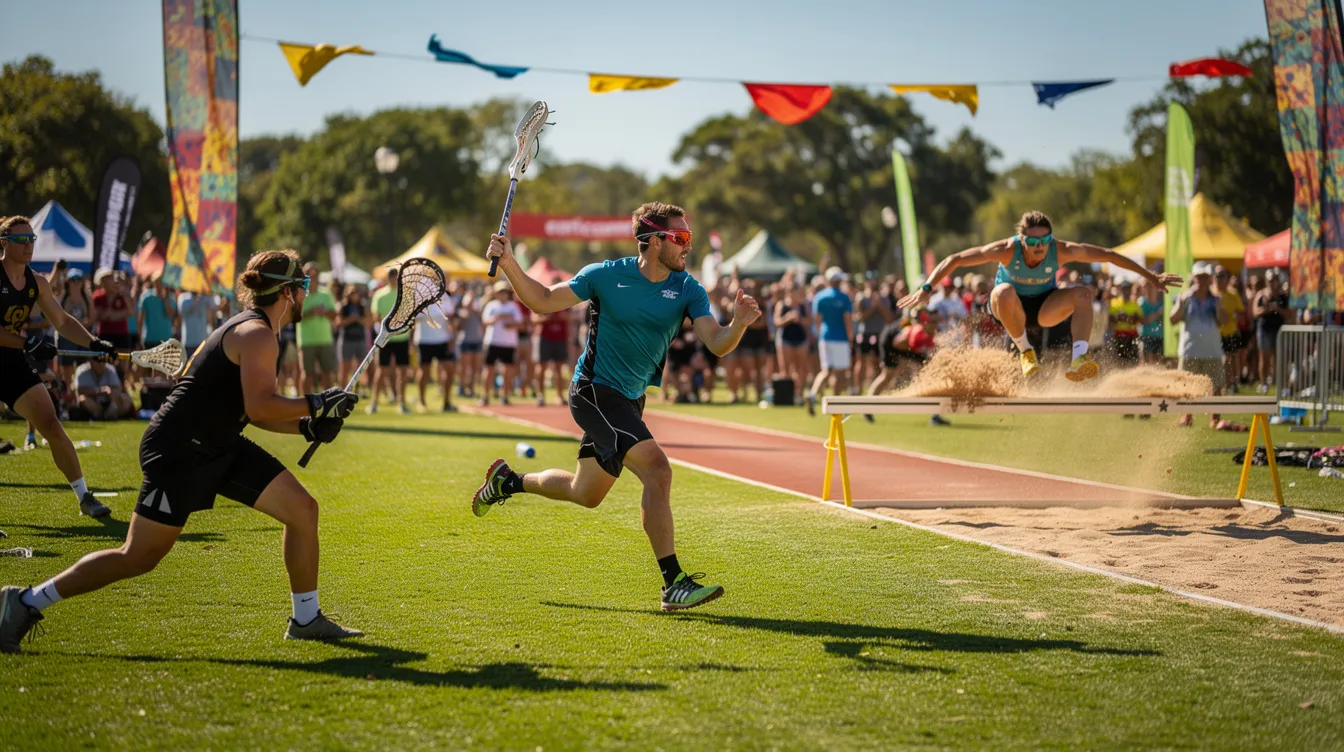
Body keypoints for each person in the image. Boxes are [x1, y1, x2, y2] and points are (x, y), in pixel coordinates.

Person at [0, 250, 364, 654]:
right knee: (137, 557)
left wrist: (306, 424)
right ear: (291, 292)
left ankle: (306, 619)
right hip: (179, 449)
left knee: (302, 509)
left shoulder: (259, 330)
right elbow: (261, 406)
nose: (306, 296)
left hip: (218, 442)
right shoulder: (257, 334)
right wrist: (314, 403)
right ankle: (24, 601)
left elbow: (251, 410)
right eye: (305, 288)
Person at [471, 202, 761, 611]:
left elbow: (716, 343)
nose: (686, 247)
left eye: (688, 239)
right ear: (653, 240)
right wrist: (510, 263)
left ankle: (507, 481)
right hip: (593, 391)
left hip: (630, 400)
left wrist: (739, 325)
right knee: (658, 472)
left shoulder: (687, 288)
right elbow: (542, 300)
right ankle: (672, 583)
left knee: (584, 492)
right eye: (680, 238)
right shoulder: (605, 275)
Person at [899, 210, 1183, 379]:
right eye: (1033, 242)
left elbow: (1108, 255)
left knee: (1083, 293)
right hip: (1008, 310)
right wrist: (927, 287)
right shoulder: (1008, 249)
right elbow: (957, 258)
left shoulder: (1060, 250)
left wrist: (1152, 277)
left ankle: (1079, 358)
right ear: (1022, 240)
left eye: (1044, 241)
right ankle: (1025, 352)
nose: (1039, 247)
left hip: (1044, 308)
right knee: (1005, 290)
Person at [1, 216, 116, 517]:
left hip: (10, 364)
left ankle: (84, 498)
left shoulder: (36, 282)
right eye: (20, 240)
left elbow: (62, 321)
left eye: (31, 240)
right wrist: (25, 342)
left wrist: (93, 342)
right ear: (4, 243)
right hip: (13, 352)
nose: (28, 246)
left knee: (50, 423)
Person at [1171, 262, 1235, 430]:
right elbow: (1173, 319)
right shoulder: (1185, 298)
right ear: (1194, 278)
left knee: (1216, 386)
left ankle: (1215, 419)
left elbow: (1224, 321)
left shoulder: (1216, 299)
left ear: (1209, 279)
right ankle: (1187, 415)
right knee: (1187, 385)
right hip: (1190, 349)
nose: (1203, 280)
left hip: (1212, 349)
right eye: (1199, 277)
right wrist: (1181, 302)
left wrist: (1220, 306)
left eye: (1206, 277)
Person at [804, 267, 854, 416]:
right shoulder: (844, 298)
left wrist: (820, 335)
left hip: (825, 337)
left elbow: (817, 320)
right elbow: (848, 321)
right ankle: (836, 403)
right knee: (840, 373)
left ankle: (813, 394)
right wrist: (850, 338)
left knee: (826, 371)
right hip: (840, 338)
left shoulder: (819, 297)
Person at [368, 268, 412, 414]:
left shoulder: (405, 294)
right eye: (393, 277)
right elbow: (376, 317)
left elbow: (409, 317)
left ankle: (402, 403)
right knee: (381, 370)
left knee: (403, 372)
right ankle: (374, 402)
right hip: (385, 338)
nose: (395, 279)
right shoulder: (380, 295)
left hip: (402, 338)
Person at [296, 263, 339, 394]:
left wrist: (324, 312)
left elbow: (334, 316)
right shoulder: (299, 294)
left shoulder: (326, 294)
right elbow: (294, 316)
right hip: (306, 341)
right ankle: (305, 404)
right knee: (307, 374)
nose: (313, 278)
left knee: (328, 373)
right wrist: (311, 312)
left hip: (325, 340)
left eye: (315, 275)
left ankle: (328, 402)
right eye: (310, 275)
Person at [479, 281, 523, 407]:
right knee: (489, 369)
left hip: (509, 343)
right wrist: (496, 318)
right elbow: (485, 322)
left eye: (504, 292)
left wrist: (511, 324)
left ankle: (505, 395)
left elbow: (520, 323)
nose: (503, 295)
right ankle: (485, 395)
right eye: (500, 292)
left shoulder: (513, 306)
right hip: (492, 341)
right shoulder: (491, 306)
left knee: (508, 370)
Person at [532, 276, 574, 407]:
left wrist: (563, 317)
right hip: (544, 338)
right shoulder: (543, 299)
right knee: (541, 367)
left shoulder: (566, 301)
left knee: (559, 368)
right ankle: (540, 395)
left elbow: (571, 318)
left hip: (560, 338)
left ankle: (559, 396)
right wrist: (548, 317)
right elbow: (534, 318)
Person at [415, 287, 457, 412]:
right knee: (424, 372)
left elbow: (450, 314)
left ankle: (447, 402)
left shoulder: (444, 296)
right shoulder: (419, 296)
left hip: (442, 340)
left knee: (449, 369)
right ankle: (421, 401)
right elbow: (414, 317)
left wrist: (451, 337)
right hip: (424, 340)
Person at [1252, 274, 1291, 392]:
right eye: (1270, 280)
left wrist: (1277, 308)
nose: (1272, 283)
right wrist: (1267, 309)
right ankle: (1263, 383)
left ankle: (1282, 385)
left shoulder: (1283, 296)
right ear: (1266, 281)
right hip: (1265, 330)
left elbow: (1289, 314)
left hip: (1279, 330)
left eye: (1274, 280)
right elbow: (1255, 313)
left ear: (1277, 281)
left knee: (1281, 358)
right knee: (1264, 357)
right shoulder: (1261, 295)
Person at [773, 284, 811, 401]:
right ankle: (787, 395)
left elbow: (809, 321)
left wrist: (799, 319)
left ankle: (799, 394)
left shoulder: (803, 305)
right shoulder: (782, 305)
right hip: (785, 339)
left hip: (800, 339)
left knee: (801, 368)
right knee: (785, 368)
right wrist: (788, 319)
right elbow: (777, 322)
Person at [336, 285, 369, 391]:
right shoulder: (343, 306)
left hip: (359, 340)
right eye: (352, 294)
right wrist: (350, 319)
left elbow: (368, 322)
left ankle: (359, 389)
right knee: (345, 368)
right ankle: (343, 390)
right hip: (347, 340)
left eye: (356, 293)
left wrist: (357, 319)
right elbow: (339, 322)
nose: (354, 296)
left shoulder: (362, 306)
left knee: (360, 368)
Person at [1107, 280, 1141, 365]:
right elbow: (1112, 319)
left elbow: (1137, 319)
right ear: (1121, 289)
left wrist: (1123, 317)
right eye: (1124, 289)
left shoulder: (1135, 302)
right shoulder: (1114, 302)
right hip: (1119, 336)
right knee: (1120, 361)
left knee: (1133, 360)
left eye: (1128, 289)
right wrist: (1128, 318)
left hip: (1132, 335)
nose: (1126, 291)